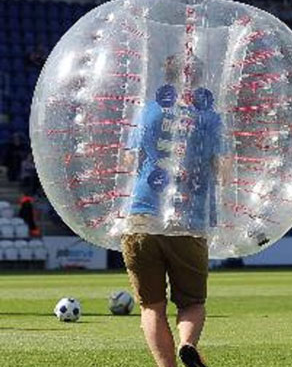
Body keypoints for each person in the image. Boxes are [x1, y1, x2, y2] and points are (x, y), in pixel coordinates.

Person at [122, 55, 227, 367]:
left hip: (141, 216)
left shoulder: (147, 112)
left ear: (164, 77)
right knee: (192, 302)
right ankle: (187, 344)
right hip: (189, 222)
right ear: (200, 80)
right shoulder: (210, 118)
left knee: (152, 306)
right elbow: (224, 170)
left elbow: (129, 163)